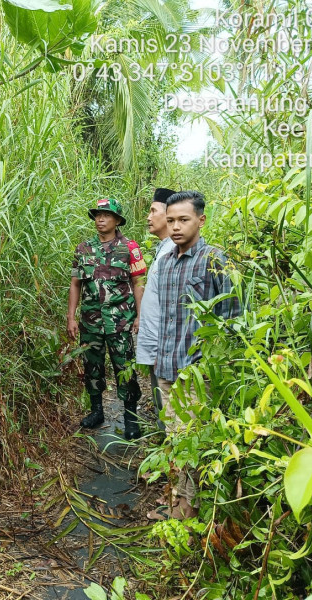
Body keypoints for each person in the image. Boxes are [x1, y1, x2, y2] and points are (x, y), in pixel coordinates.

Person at [148, 190, 240, 520]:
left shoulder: (215, 260)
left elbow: (233, 317)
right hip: (168, 366)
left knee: (194, 441)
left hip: (197, 373)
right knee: (174, 440)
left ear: (201, 220)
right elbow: (165, 316)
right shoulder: (167, 261)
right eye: (170, 220)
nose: (175, 227)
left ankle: (193, 509)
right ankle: (179, 504)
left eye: (183, 220)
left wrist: (211, 363)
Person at [67, 198, 146, 439]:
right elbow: (75, 284)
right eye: (97, 215)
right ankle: (96, 411)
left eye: (106, 215)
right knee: (92, 367)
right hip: (90, 321)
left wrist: (140, 317)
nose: (100, 219)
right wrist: (71, 317)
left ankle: (131, 419)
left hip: (119, 321)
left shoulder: (129, 248)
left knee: (125, 368)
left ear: (117, 220)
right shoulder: (83, 248)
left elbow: (138, 283)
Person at [135, 188, 178, 431]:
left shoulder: (173, 250)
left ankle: (170, 461)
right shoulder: (163, 247)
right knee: (161, 399)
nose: (149, 217)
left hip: (165, 345)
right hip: (157, 341)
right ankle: (165, 452)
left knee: (170, 402)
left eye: (153, 211)